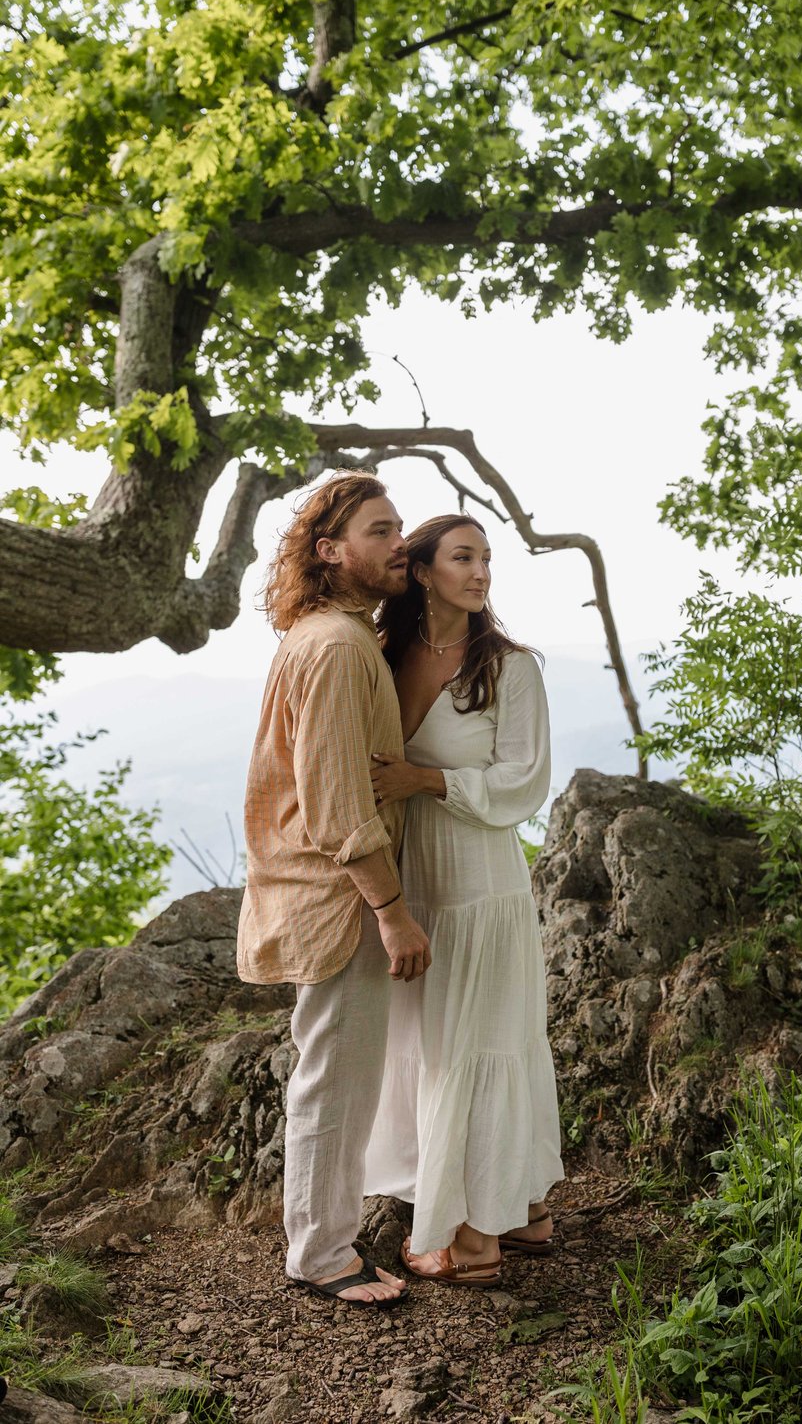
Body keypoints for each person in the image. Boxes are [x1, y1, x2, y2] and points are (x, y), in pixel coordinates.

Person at [237, 470, 432, 1309]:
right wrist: (391, 912)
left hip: (337, 897)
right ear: (331, 552)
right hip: (340, 901)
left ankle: (324, 1240)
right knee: (335, 1077)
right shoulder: (336, 646)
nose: (402, 545)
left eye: (400, 529)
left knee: (339, 1072)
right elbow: (339, 805)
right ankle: (320, 1256)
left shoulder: (341, 636)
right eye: (381, 532)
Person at [363, 514, 564, 1288]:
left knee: (481, 1048)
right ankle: (526, 1216)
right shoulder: (389, 656)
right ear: (420, 571)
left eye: (486, 559)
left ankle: (477, 1239)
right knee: (438, 1047)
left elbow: (524, 780)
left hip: (483, 886)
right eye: (463, 557)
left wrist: (429, 779)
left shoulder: (510, 668)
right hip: (419, 883)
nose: (481, 573)